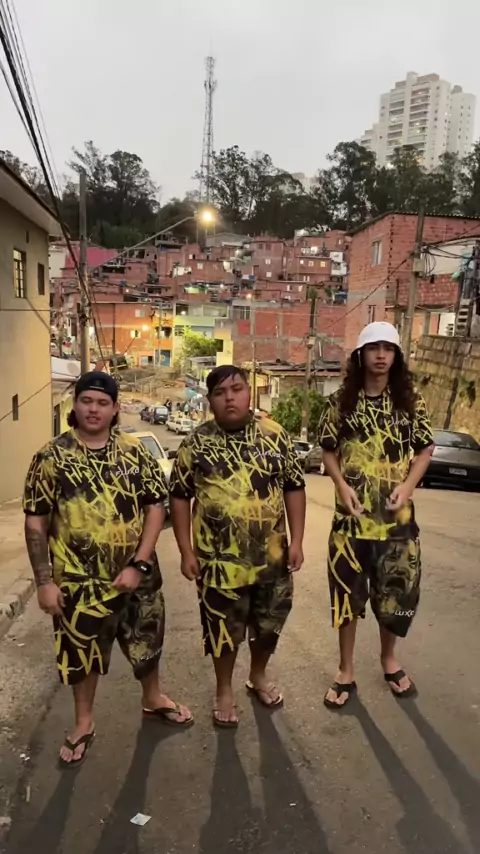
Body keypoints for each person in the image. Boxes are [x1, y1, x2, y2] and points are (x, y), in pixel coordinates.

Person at [23, 371, 192, 768]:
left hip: (136, 580)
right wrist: (44, 582)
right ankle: (84, 721)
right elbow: (35, 522)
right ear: (75, 405)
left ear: (116, 408)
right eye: (87, 400)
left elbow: (156, 508)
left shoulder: (135, 453)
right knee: (81, 654)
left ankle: (153, 698)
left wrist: (139, 562)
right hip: (77, 584)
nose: (93, 409)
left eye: (102, 402)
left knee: (147, 641)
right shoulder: (50, 458)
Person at [169, 365, 306, 727]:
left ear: (249, 393)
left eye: (237, 389)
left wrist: (298, 540)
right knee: (222, 631)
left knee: (269, 625)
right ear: (210, 399)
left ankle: (258, 675)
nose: (229, 398)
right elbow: (179, 497)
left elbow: (294, 487)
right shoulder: (195, 443)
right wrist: (185, 550)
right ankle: (224, 690)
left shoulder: (275, 436)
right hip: (217, 563)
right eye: (220, 392)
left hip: (271, 559)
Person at [318, 322, 434, 708]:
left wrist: (408, 486)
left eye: (388, 348)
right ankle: (345, 669)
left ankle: (389, 659)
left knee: (394, 595)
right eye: (373, 348)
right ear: (361, 355)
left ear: (396, 356)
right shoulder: (341, 402)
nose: (381, 355)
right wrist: (341, 485)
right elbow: (328, 449)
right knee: (347, 596)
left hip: (396, 523)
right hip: (350, 522)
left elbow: (425, 448)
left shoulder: (409, 401)